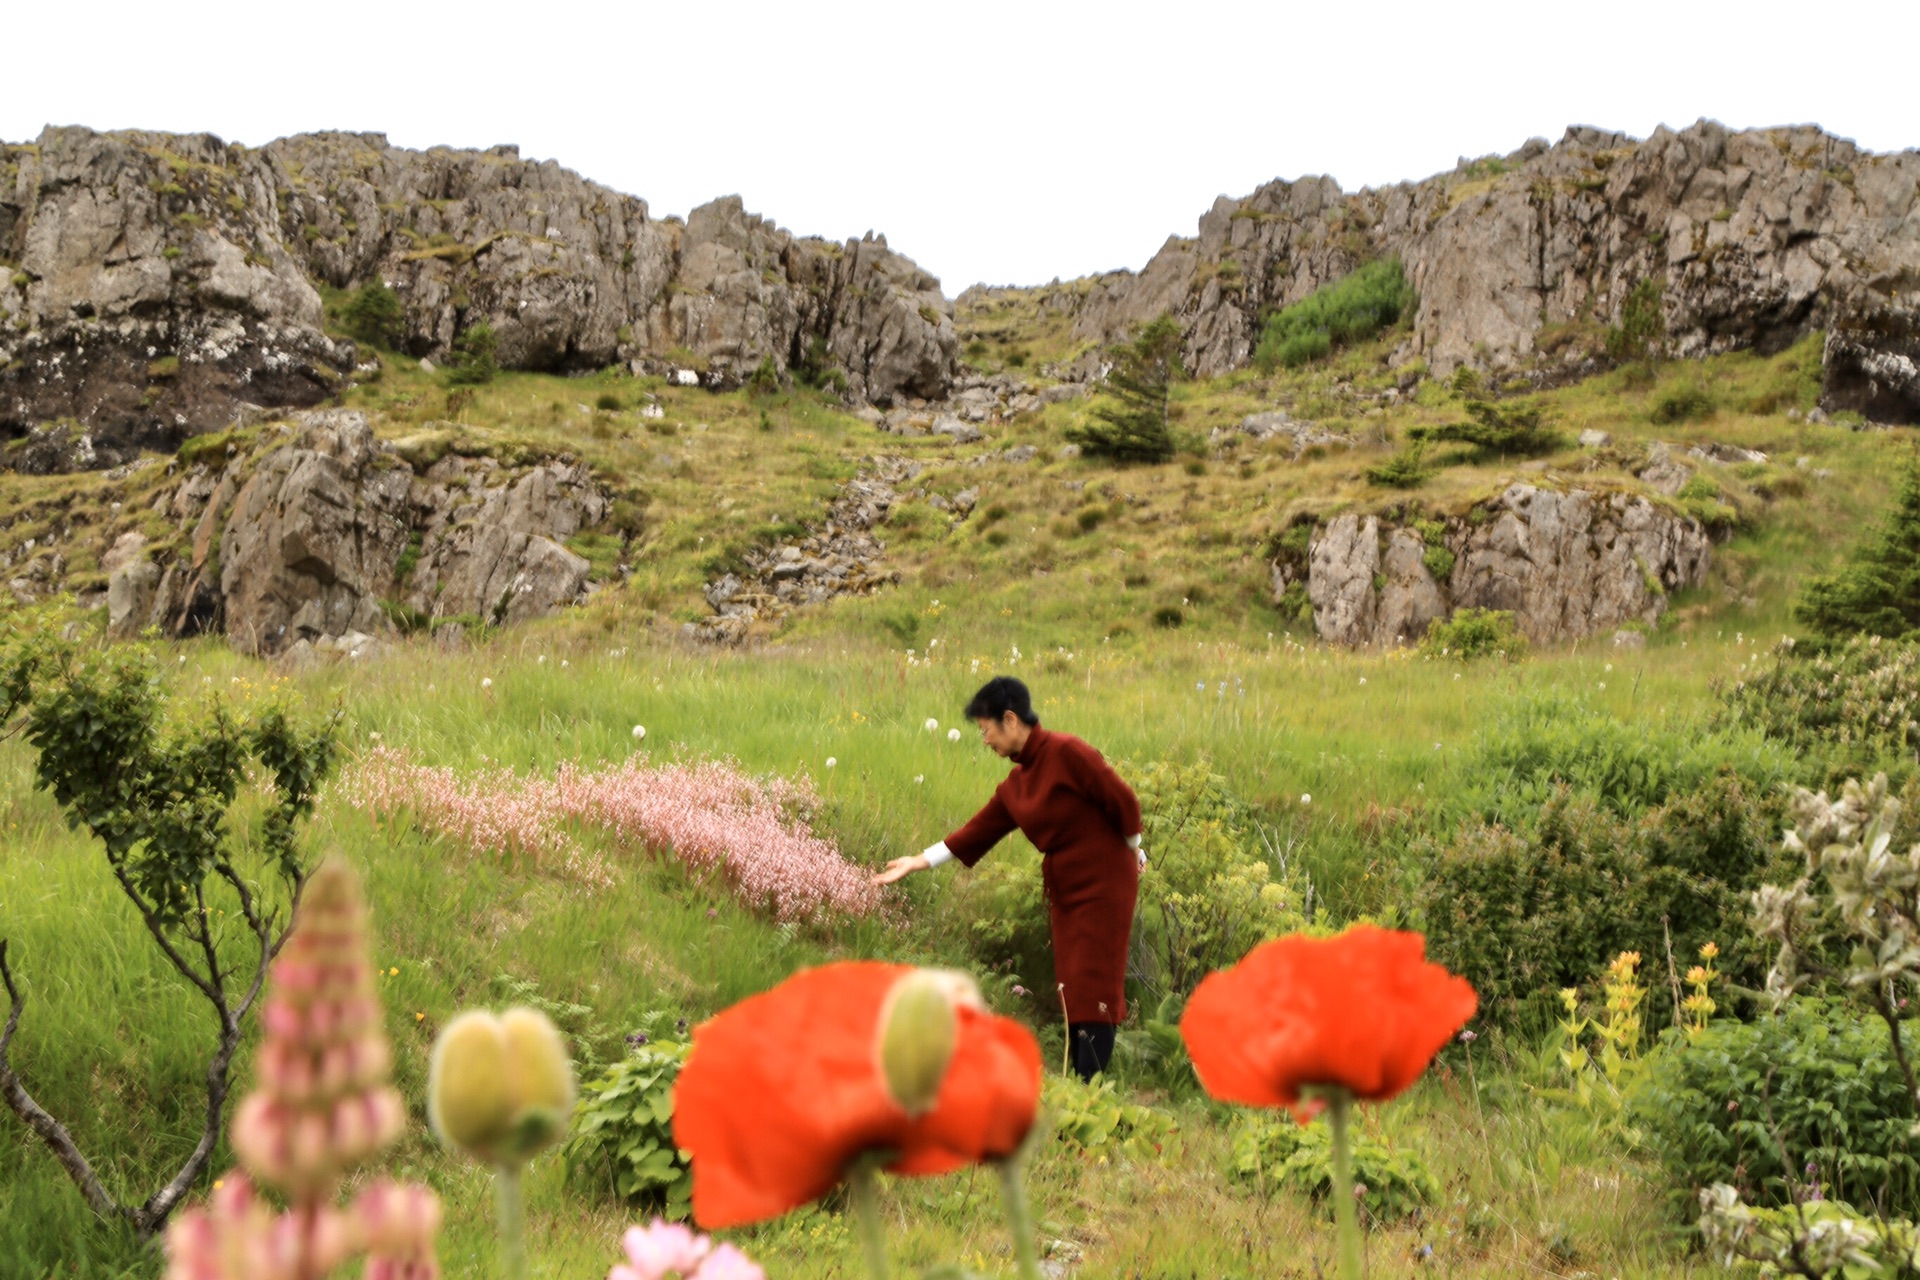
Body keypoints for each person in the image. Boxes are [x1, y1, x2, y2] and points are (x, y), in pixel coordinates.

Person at [874, 676, 1143, 1080]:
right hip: (1067, 888)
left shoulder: (1068, 752)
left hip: (1105, 882)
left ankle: (1092, 1087)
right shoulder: (1016, 785)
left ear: (1010, 719)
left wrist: (1134, 848)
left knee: (1095, 985)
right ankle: (1080, 1085)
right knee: (1071, 986)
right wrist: (918, 860)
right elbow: (976, 831)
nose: (984, 740)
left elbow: (1122, 801)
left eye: (986, 730)